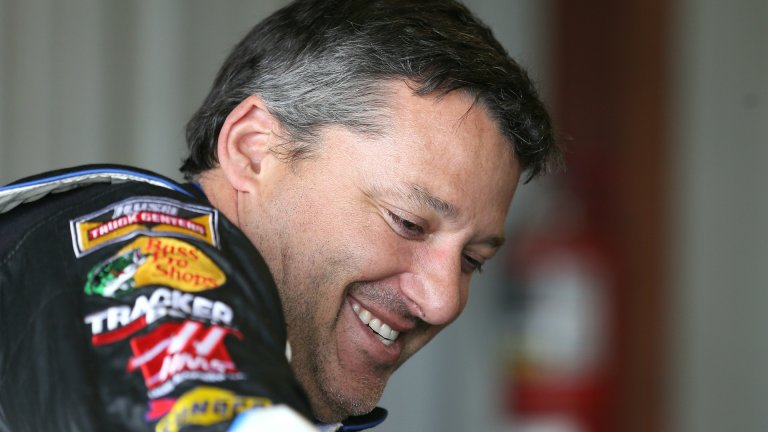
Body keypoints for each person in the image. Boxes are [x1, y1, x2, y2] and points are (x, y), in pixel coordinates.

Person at [0, 0, 559, 430]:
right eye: (407, 222)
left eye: (472, 260)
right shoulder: (138, 240)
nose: (443, 300)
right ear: (253, 151)